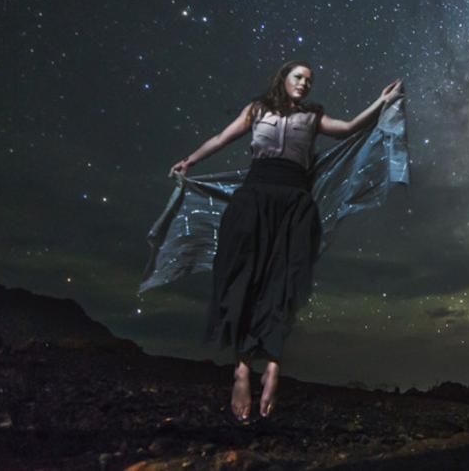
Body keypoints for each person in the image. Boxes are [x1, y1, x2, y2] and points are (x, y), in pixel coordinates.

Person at [168, 60, 403, 422]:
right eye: (298, 77)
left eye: (309, 80)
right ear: (284, 79)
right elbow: (220, 138)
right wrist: (189, 161)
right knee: (243, 278)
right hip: (254, 200)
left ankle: (273, 367)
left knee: (285, 282)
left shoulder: (313, 116)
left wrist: (381, 103)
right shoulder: (257, 109)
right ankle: (243, 369)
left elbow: (350, 128)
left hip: (294, 205)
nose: (304, 84)